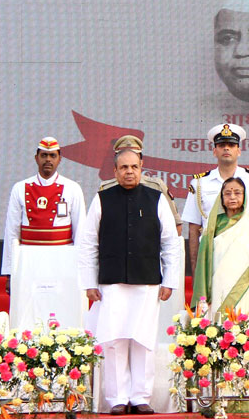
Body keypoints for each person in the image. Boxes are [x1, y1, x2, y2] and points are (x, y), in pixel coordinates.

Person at [79, 148, 181, 415]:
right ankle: (117, 398)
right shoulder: (102, 199)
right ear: (114, 171)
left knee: (143, 340)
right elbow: (88, 243)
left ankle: (140, 397)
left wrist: (169, 279)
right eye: (123, 167)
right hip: (111, 283)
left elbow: (170, 243)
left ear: (141, 167)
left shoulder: (156, 199)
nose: (129, 172)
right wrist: (89, 282)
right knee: (113, 341)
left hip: (146, 281)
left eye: (134, 167)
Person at [0, 136, 86, 329]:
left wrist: (81, 269)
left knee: (61, 309)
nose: (48, 160)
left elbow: (81, 232)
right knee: (29, 311)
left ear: (59, 159)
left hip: (62, 263)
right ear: (36, 158)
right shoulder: (20, 188)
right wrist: (9, 272)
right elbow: (12, 231)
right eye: (44, 155)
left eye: (52, 156)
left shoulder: (72, 189)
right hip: (29, 262)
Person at [183, 123, 249, 268]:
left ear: (239, 150)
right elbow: (194, 229)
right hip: (211, 259)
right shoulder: (200, 183)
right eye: (221, 145)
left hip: (247, 258)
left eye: (231, 145)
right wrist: (196, 270)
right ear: (214, 151)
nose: (226, 148)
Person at [192, 176, 249, 313]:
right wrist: (203, 295)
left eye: (237, 193)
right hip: (218, 290)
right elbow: (204, 264)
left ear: (245, 196)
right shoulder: (212, 227)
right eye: (227, 193)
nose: (232, 197)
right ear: (221, 198)